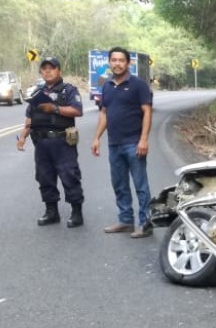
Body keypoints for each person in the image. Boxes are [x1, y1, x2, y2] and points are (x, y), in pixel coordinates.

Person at [90, 46, 153, 238]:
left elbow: (147, 112)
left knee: (140, 184)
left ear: (128, 63)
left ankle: (145, 223)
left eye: (121, 60)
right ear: (109, 62)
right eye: (114, 60)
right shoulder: (107, 85)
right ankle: (126, 221)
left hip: (134, 142)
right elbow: (104, 113)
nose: (117, 63)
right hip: (114, 144)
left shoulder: (138, 85)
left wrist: (143, 139)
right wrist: (96, 137)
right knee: (119, 183)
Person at [16, 57, 84, 228]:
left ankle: (77, 212)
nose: (47, 71)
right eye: (44, 69)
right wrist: (23, 136)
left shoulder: (68, 90)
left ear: (59, 71)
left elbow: (77, 110)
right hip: (41, 143)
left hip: (62, 141)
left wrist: (54, 108)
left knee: (69, 176)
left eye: (51, 68)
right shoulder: (37, 93)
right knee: (44, 177)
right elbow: (30, 117)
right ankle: (51, 211)